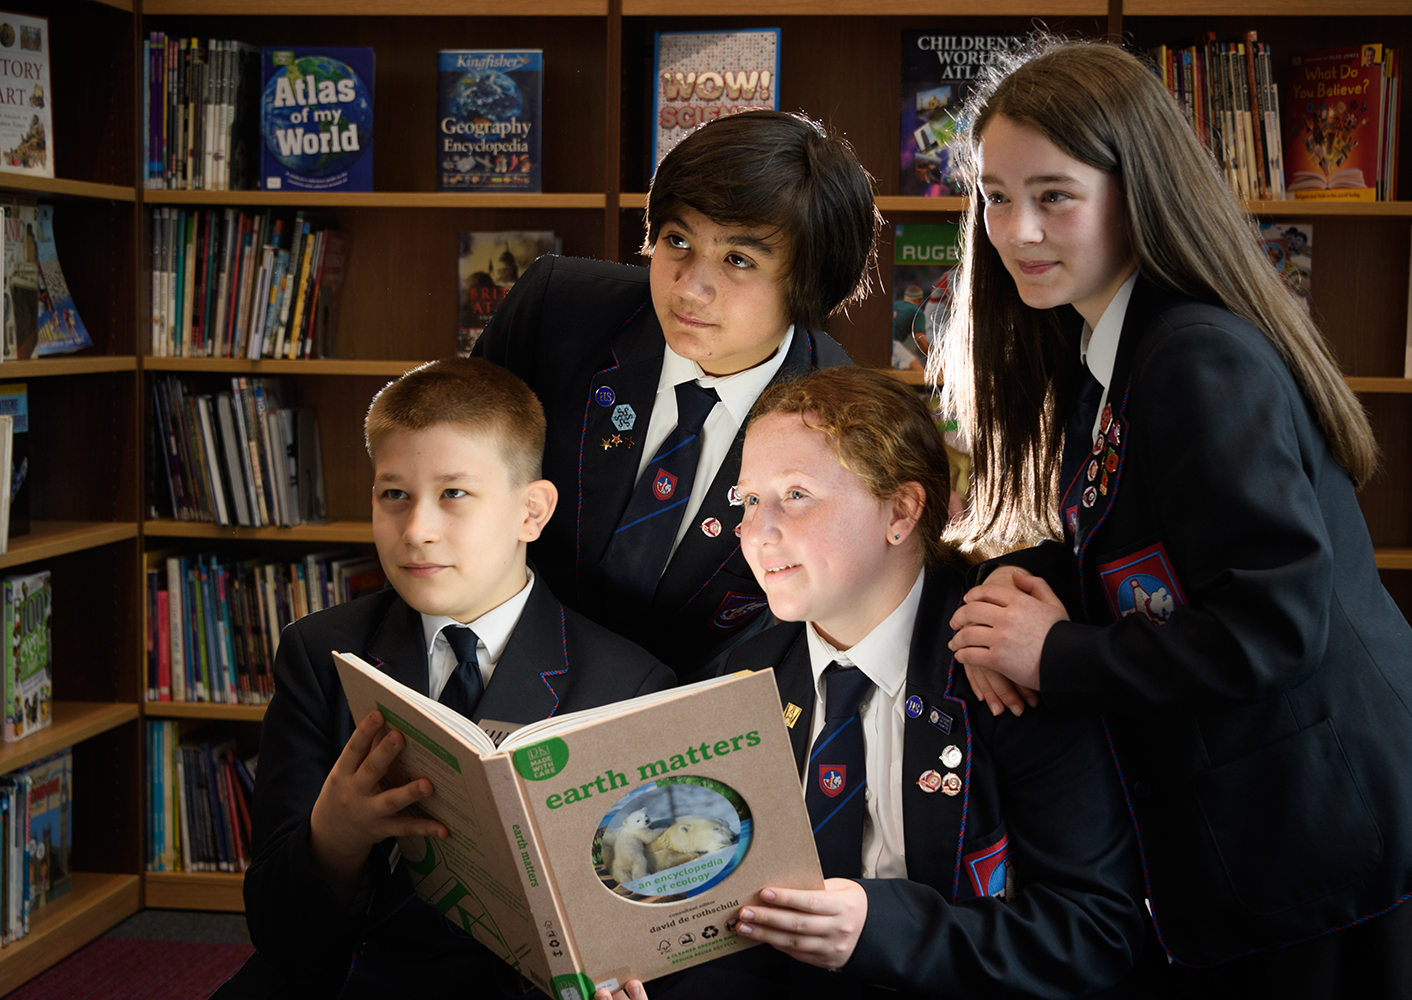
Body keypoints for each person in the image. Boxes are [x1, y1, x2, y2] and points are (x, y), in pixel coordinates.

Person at [935, 38, 1412, 999]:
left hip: (1342, 849)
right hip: (1286, 835)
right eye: (994, 194)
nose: (1016, 228)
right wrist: (1020, 586)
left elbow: (1271, 627)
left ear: (1137, 190)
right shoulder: (1105, 342)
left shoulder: (1193, 357)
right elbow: (1137, 540)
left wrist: (1055, 654)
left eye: (1053, 195)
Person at [606, 367, 1146, 1000]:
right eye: (748, 500)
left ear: (901, 511)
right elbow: (728, 926)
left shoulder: (1007, 669)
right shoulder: (736, 680)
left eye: (797, 494)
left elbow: (1098, 931)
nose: (756, 531)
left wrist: (883, 931)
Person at [224, 359, 675, 998]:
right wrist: (335, 837)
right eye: (393, 494)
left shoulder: (629, 686)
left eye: (454, 494)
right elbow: (277, 929)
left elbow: (644, 919)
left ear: (532, 511)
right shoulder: (320, 652)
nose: (416, 531)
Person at [471, 109, 879, 681]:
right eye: (677, 240)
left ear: (811, 283)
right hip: (492, 668)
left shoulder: (843, 427)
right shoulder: (555, 310)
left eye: (738, 259)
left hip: (683, 724)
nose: (689, 286)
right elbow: (446, 480)